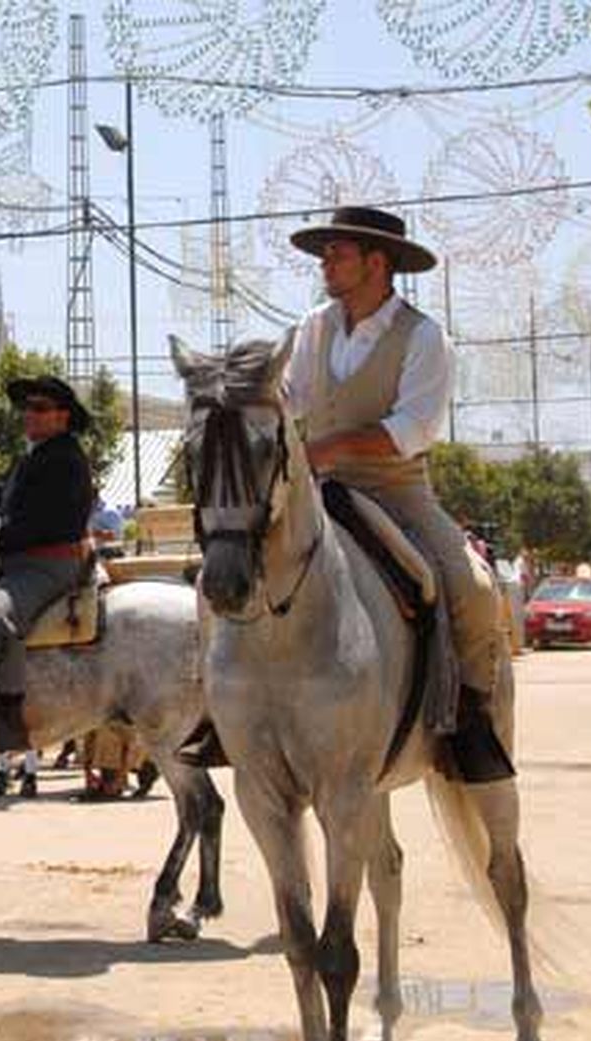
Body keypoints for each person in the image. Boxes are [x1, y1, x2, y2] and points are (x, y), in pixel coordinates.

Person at [178, 205, 513, 782]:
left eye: (338, 254)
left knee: (474, 590)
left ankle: (469, 721)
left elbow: (414, 428)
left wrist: (330, 448)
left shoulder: (424, 336)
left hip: (396, 491)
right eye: (326, 255)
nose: (325, 264)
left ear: (377, 263)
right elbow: (290, 399)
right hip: (315, 487)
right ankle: (216, 708)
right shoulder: (314, 327)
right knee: (221, 572)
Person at [0, 375, 95, 752]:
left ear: (62, 416)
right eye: (26, 407)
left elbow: (38, 525)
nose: (28, 414)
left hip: (45, 566)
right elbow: (15, 495)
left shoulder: (65, 459)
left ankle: (7, 714)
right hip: (19, 561)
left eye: (39, 408)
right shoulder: (41, 454)